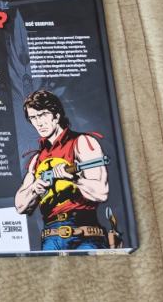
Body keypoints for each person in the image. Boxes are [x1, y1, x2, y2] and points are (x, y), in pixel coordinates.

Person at [14, 90, 109, 250]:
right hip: (50, 236)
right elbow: (20, 206)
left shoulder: (82, 142)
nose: (38, 123)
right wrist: (35, 188)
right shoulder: (37, 159)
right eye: (33, 118)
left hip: (83, 233)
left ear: (56, 115)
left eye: (43, 115)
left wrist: (74, 178)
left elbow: (101, 192)